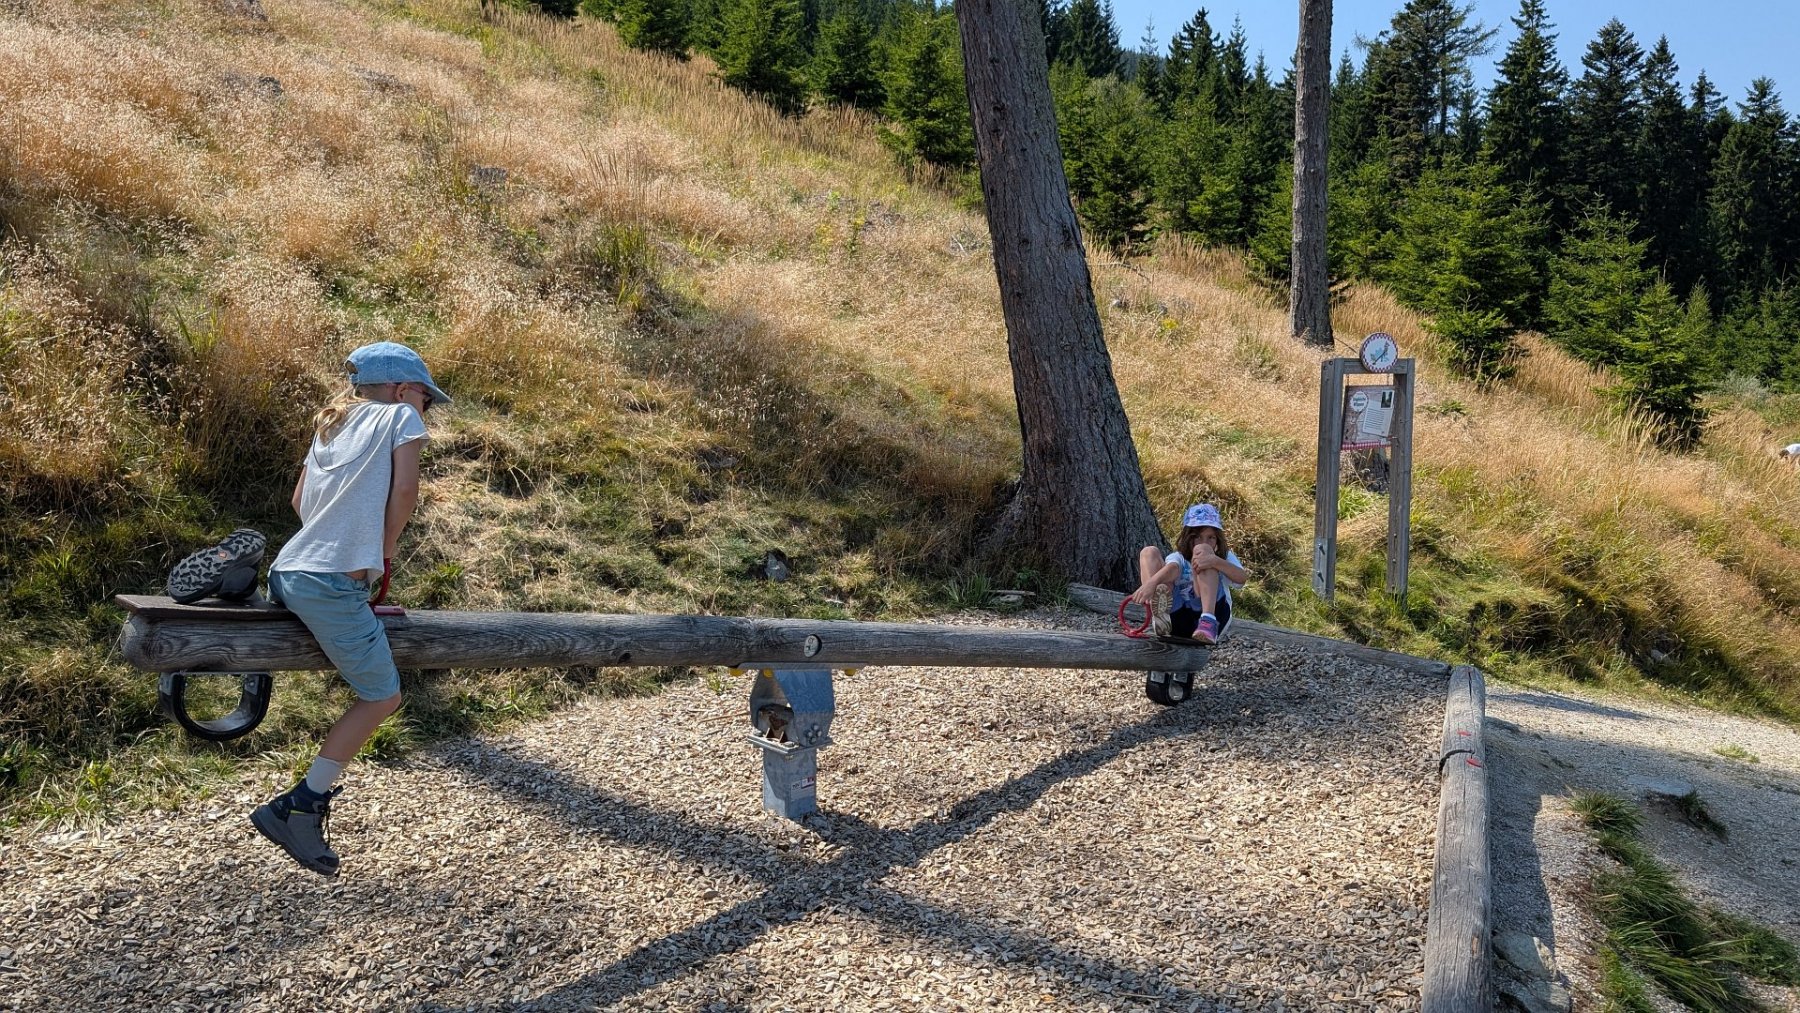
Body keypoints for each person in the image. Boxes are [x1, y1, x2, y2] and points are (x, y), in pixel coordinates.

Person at [249, 341, 449, 876]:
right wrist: (380, 552)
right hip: (329, 583)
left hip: (290, 571)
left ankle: (301, 805)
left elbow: (299, 502)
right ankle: (300, 805)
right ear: (403, 390)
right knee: (383, 696)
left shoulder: (331, 423)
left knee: (373, 676)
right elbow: (405, 492)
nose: (426, 409)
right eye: (426, 398)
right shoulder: (401, 417)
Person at [1128, 503, 1249, 645]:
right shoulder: (1179, 557)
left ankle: (1207, 621)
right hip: (1177, 618)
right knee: (1149, 552)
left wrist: (1214, 561)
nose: (1204, 542)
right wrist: (1151, 583)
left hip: (1215, 616)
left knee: (1204, 555)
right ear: (1188, 537)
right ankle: (1160, 615)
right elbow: (1173, 569)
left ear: (1218, 539)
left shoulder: (1223, 556)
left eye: (1211, 537)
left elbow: (1241, 579)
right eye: (1198, 537)